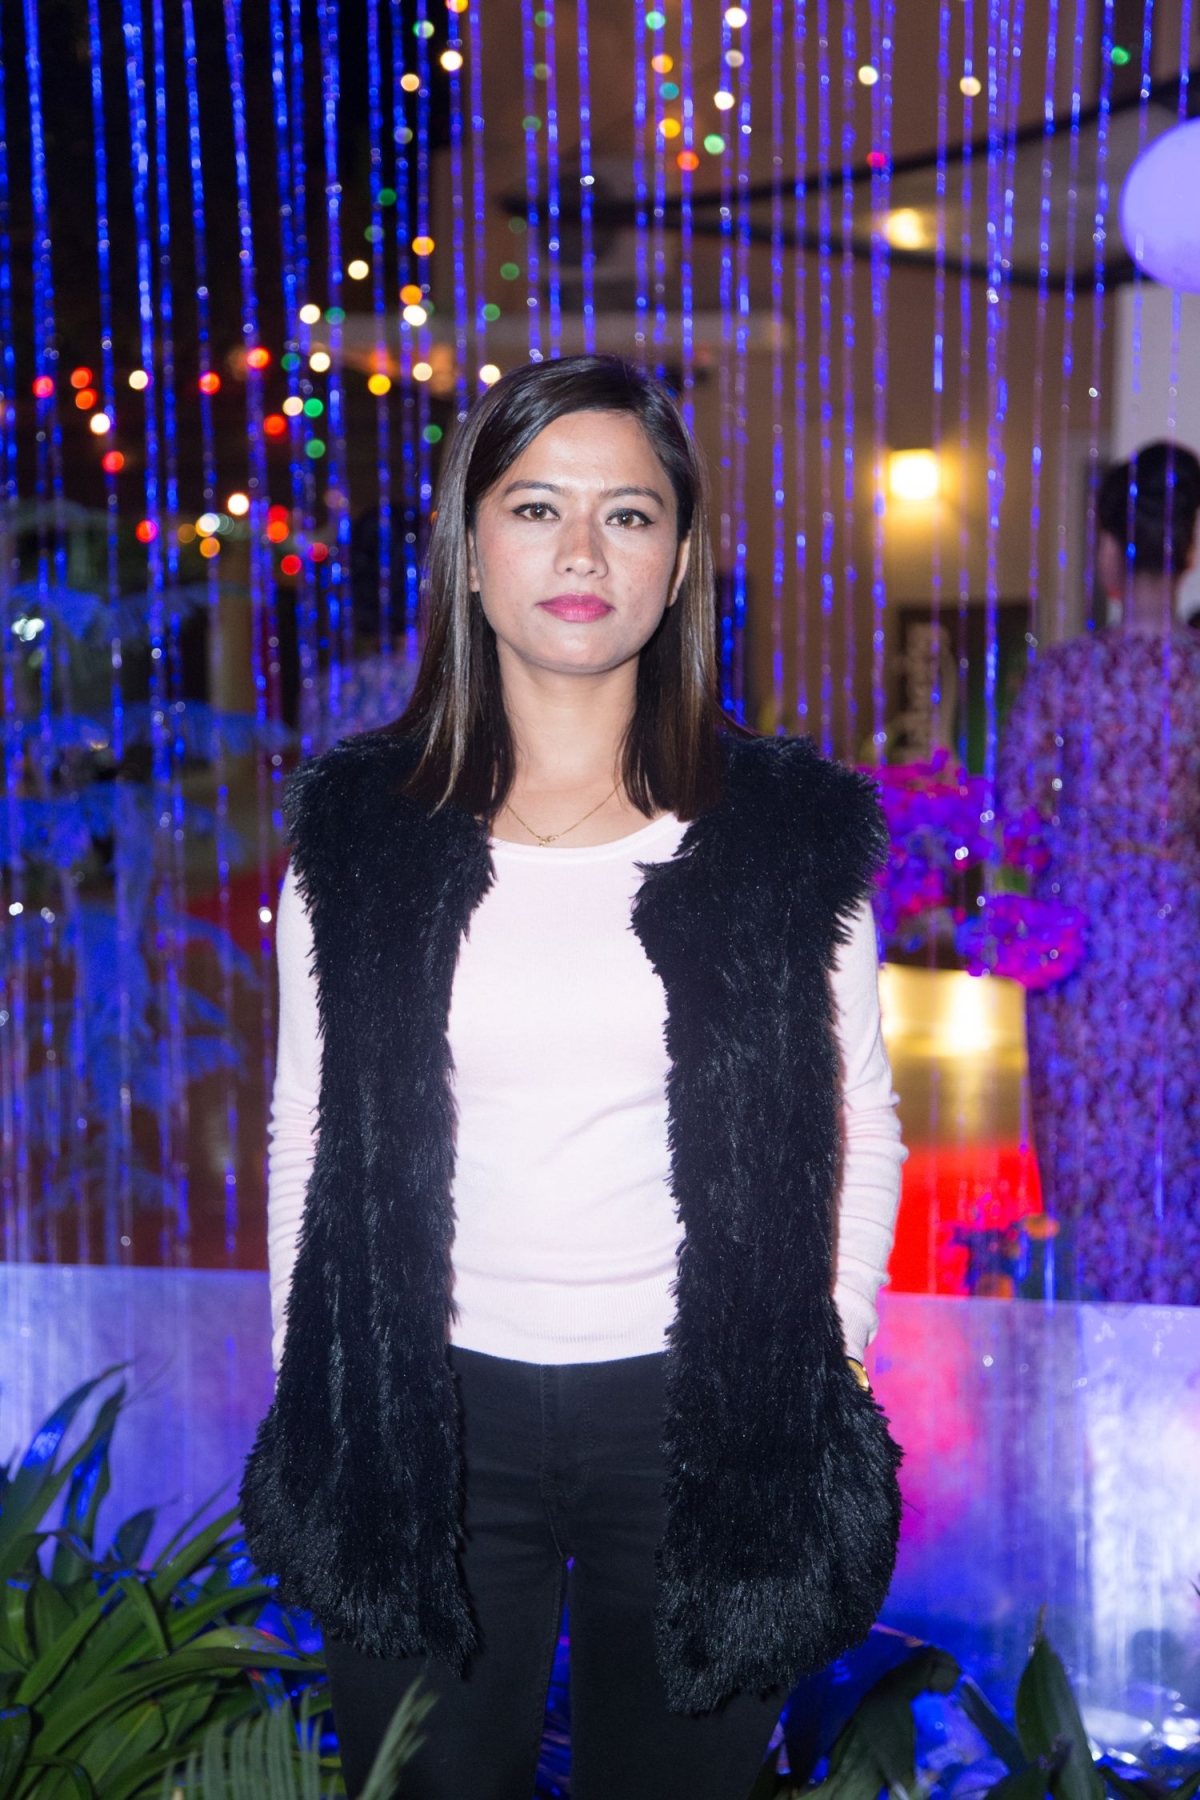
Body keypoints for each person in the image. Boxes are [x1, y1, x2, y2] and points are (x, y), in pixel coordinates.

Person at [240, 355, 906, 1800]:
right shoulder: (359, 835)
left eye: (630, 514)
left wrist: (831, 1357)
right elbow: (306, 1125)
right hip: (422, 1419)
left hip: (708, 1422)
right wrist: (317, 1380)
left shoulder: (783, 833)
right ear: (471, 551)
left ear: (679, 563)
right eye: (538, 508)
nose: (584, 552)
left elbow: (860, 1115)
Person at [998, 440, 1200, 1303]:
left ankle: (1096, 1319)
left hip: (1081, 946)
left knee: (1088, 1152)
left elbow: (1013, 816)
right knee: (1176, 1152)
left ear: (1110, 549)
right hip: (1182, 943)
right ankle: (1178, 1334)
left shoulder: (1066, 674)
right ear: (1187, 549)